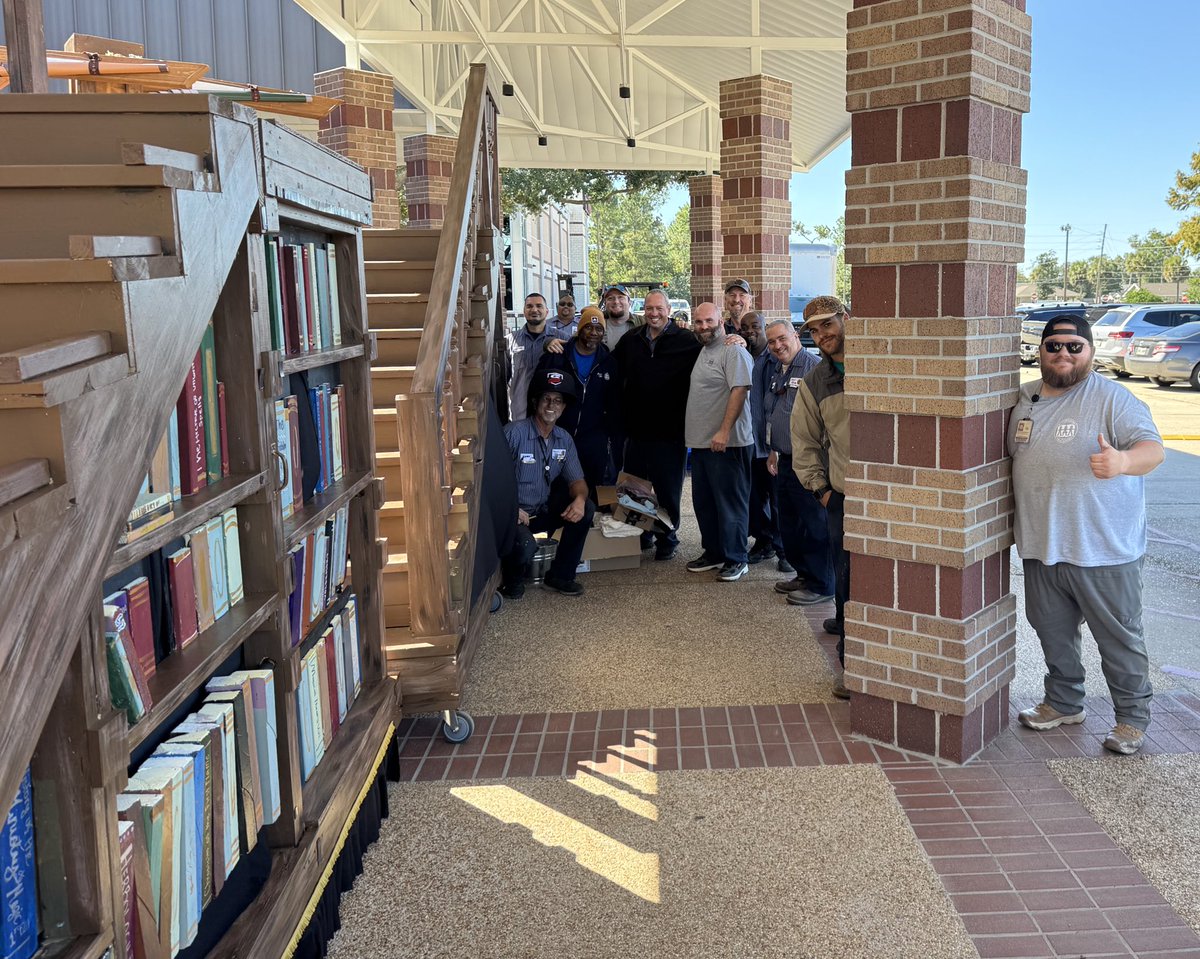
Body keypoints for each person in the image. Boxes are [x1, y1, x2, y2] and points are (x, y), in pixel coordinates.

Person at [1009, 314, 1164, 755]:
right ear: (1039, 351)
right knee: (1052, 632)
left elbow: (1151, 449)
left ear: (1091, 351)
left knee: (1118, 639)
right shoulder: (1024, 398)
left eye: (1074, 346)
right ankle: (1063, 702)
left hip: (1104, 550)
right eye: (1053, 346)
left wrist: (1122, 463)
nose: (1063, 354)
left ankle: (1131, 718)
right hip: (1042, 546)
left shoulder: (1113, 398)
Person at [791, 295, 852, 700]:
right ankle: (853, 665)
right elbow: (804, 440)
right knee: (847, 583)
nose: (820, 335)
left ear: (847, 318)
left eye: (827, 324)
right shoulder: (816, 381)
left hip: (894, 497)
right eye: (813, 330)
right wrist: (822, 490)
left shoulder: (883, 362)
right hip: (844, 498)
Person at [612, 288, 702, 561]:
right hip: (637, 429)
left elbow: (713, 350)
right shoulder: (632, 339)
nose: (653, 314)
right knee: (636, 487)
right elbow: (610, 365)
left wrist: (735, 340)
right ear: (643, 311)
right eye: (649, 309)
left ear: (669, 311)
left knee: (666, 489)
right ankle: (643, 534)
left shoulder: (686, 340)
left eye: (659, 309)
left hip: (670, 431)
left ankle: (667, 538)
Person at [499, 369, 595, 599]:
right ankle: (511, 582)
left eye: (558, 401)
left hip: (540, 511)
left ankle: (561, 576)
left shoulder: (564, 438)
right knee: (525, 546)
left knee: (587, 508)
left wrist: (580, 500)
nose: (552, 405)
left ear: (564, 407)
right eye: (547, 399)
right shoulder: (513, 433)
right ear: (535, 402)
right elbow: (493, 481)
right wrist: (511, 509)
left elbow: (577, 480)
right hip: (511, 514)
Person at [761, 318, 835, 609]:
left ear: (795, 336)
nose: (777, 346)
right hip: (784, 459)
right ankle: (804, 574)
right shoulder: (779, 370)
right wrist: (773, 450)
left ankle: (822, 583)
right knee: (789, 524)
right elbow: (775, 413)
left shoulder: (814, 367)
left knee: (814, 525)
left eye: (782, 339)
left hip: (810, 464)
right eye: (771, 342)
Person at [685, 303, 754, 581]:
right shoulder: (705, 349)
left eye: (708, 321)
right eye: (699, 322)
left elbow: (740, 390)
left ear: (720, 321)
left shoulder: (733, 350)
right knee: (706, 504)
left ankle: (737, 558)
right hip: (702, 444)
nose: (703, 326)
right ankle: (714, 552)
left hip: (727, 444)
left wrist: (724, 431)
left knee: (730, 505)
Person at [534, 306, 618, 497]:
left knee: (591, 490)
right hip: (558, 433)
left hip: (593, 438)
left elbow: (614, 404)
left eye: (599, 329)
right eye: (588, 327)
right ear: (579, 329)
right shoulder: (557, 355)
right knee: (557, 488)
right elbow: (536, 389)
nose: (593, 333)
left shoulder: (609, 363)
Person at [742, 310, 787, 568]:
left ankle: (784, 550)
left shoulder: (776, 359)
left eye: (755, 326)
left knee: (778, 499)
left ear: (764, 327)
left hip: (773, 444)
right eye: (745, 327)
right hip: (750, 441)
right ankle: (764, 541)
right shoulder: (742, 355)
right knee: (755, 497)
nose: (750, 331)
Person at [508, 292, 551, 421]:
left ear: (547, 311)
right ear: (524, 311)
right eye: (529, 306)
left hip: (550, 410)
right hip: (519, 412)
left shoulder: (561, 339)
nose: (534, 310)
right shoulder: (509, 341)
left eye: (539, 306)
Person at [600, 284, 643, 350]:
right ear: (605, 304)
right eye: (610, 298)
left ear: (629, 302)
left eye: (620, 297)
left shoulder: (643, 322)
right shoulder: (597, 324)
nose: (616, 302)